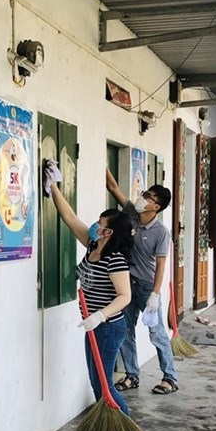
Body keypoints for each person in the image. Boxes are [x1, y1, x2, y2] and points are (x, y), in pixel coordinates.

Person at [45, 160, 133, 417]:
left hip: (108, 327)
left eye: (100, 223)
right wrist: (53, 186)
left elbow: (124, 296)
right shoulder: (93, 245)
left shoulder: (115, 258)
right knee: (97, 384)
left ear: (109, 232)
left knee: (105, 385)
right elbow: (70, 218)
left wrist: (99, 315)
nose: (96, 225)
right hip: (93, 326)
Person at [105, 168, 179, 395]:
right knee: (126, 331)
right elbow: (113, 188)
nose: (143, 197)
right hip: (128, 285)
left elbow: (161, 266)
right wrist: (104, 166)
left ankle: (170, 378)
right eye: (145, 192)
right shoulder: (131, 215)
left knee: (156, 333)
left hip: (147, 288)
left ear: (156, 206)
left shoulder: (161, 232)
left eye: (148, 196)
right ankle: (131, 375)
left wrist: (155, 295)